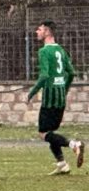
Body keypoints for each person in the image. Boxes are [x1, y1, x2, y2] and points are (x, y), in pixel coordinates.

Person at [27, 20, 84, 174]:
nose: (36, 32)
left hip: (50, 99)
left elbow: (44, 75)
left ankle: (74, 144)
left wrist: (32, 92)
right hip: (60, 98)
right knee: (51, 132)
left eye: (39, 29)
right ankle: (62, 164)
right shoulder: (61, 50)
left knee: (43, 133)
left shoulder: (44, 52)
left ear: (47, 32)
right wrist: (64, 89)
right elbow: (71, 73)